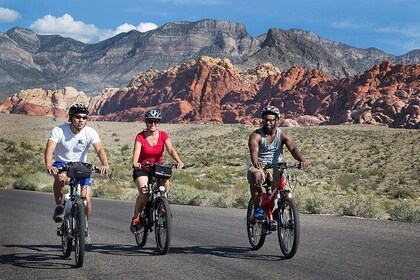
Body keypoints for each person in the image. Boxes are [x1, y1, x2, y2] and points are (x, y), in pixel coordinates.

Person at [44, 103, 109, 225]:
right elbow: (49, 150)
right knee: (60, 177)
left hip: (80, 166)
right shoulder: (59, 130)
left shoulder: (90, 132)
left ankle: (84, 228)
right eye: (78, 117)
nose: (81, 120)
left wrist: (105, 164)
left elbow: (99, 149)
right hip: (61, 164)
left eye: (84, 118)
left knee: (87, 200)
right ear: (71, 118)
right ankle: (59, 206)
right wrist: (49, 165)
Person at [247, 105, 308, 221]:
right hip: (260, 167)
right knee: (256, 176)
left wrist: (302, 160)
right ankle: (258, 210)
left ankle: (277, 211)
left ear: (277, 121)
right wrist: (256, 162)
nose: (268, 122)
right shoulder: (256, 135)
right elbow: (254, 150)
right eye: (265, 120)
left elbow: (293, 148)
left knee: (284, 192)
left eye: (271, 120)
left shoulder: (283, 135)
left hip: (276, 168)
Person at [130, 109, 184, 233]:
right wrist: (135, 162)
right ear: (146, 122)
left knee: (165, 183)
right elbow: (137, 151)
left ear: (159, 123)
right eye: (150, 121)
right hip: (142, 168)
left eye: (155, 121)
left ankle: (163, 204)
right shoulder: (140, 136)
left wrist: (179, 161)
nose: (153, 124)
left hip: (158, 167)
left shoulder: (163, 135)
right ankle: (136, 217)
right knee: (144, 193)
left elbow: (171, 149)